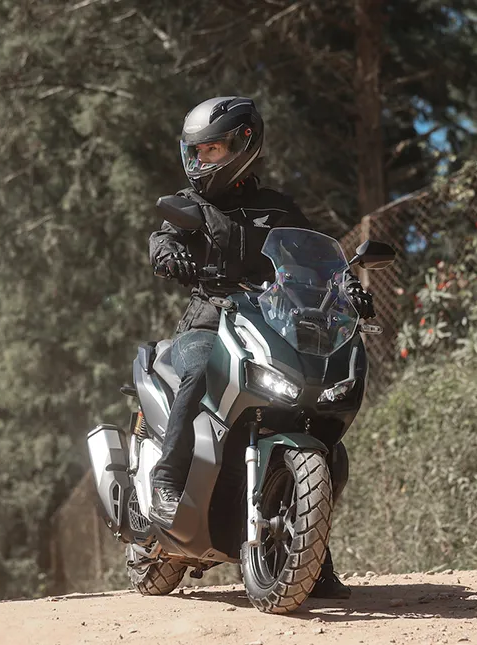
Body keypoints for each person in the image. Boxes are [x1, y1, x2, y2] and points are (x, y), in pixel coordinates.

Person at [148, 97, 376, 599]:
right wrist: (169, 256)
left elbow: (315, 262)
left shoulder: (280, 208)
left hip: (269, 322)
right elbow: (161, 239)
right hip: (209, 319)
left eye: (211, 149)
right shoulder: (191, 205)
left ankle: (310, 553)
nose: (200, 160)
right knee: (196, 372)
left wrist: (346, 287)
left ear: (243, 145)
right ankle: (166, 481)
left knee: (310, 414)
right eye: (196, 151)